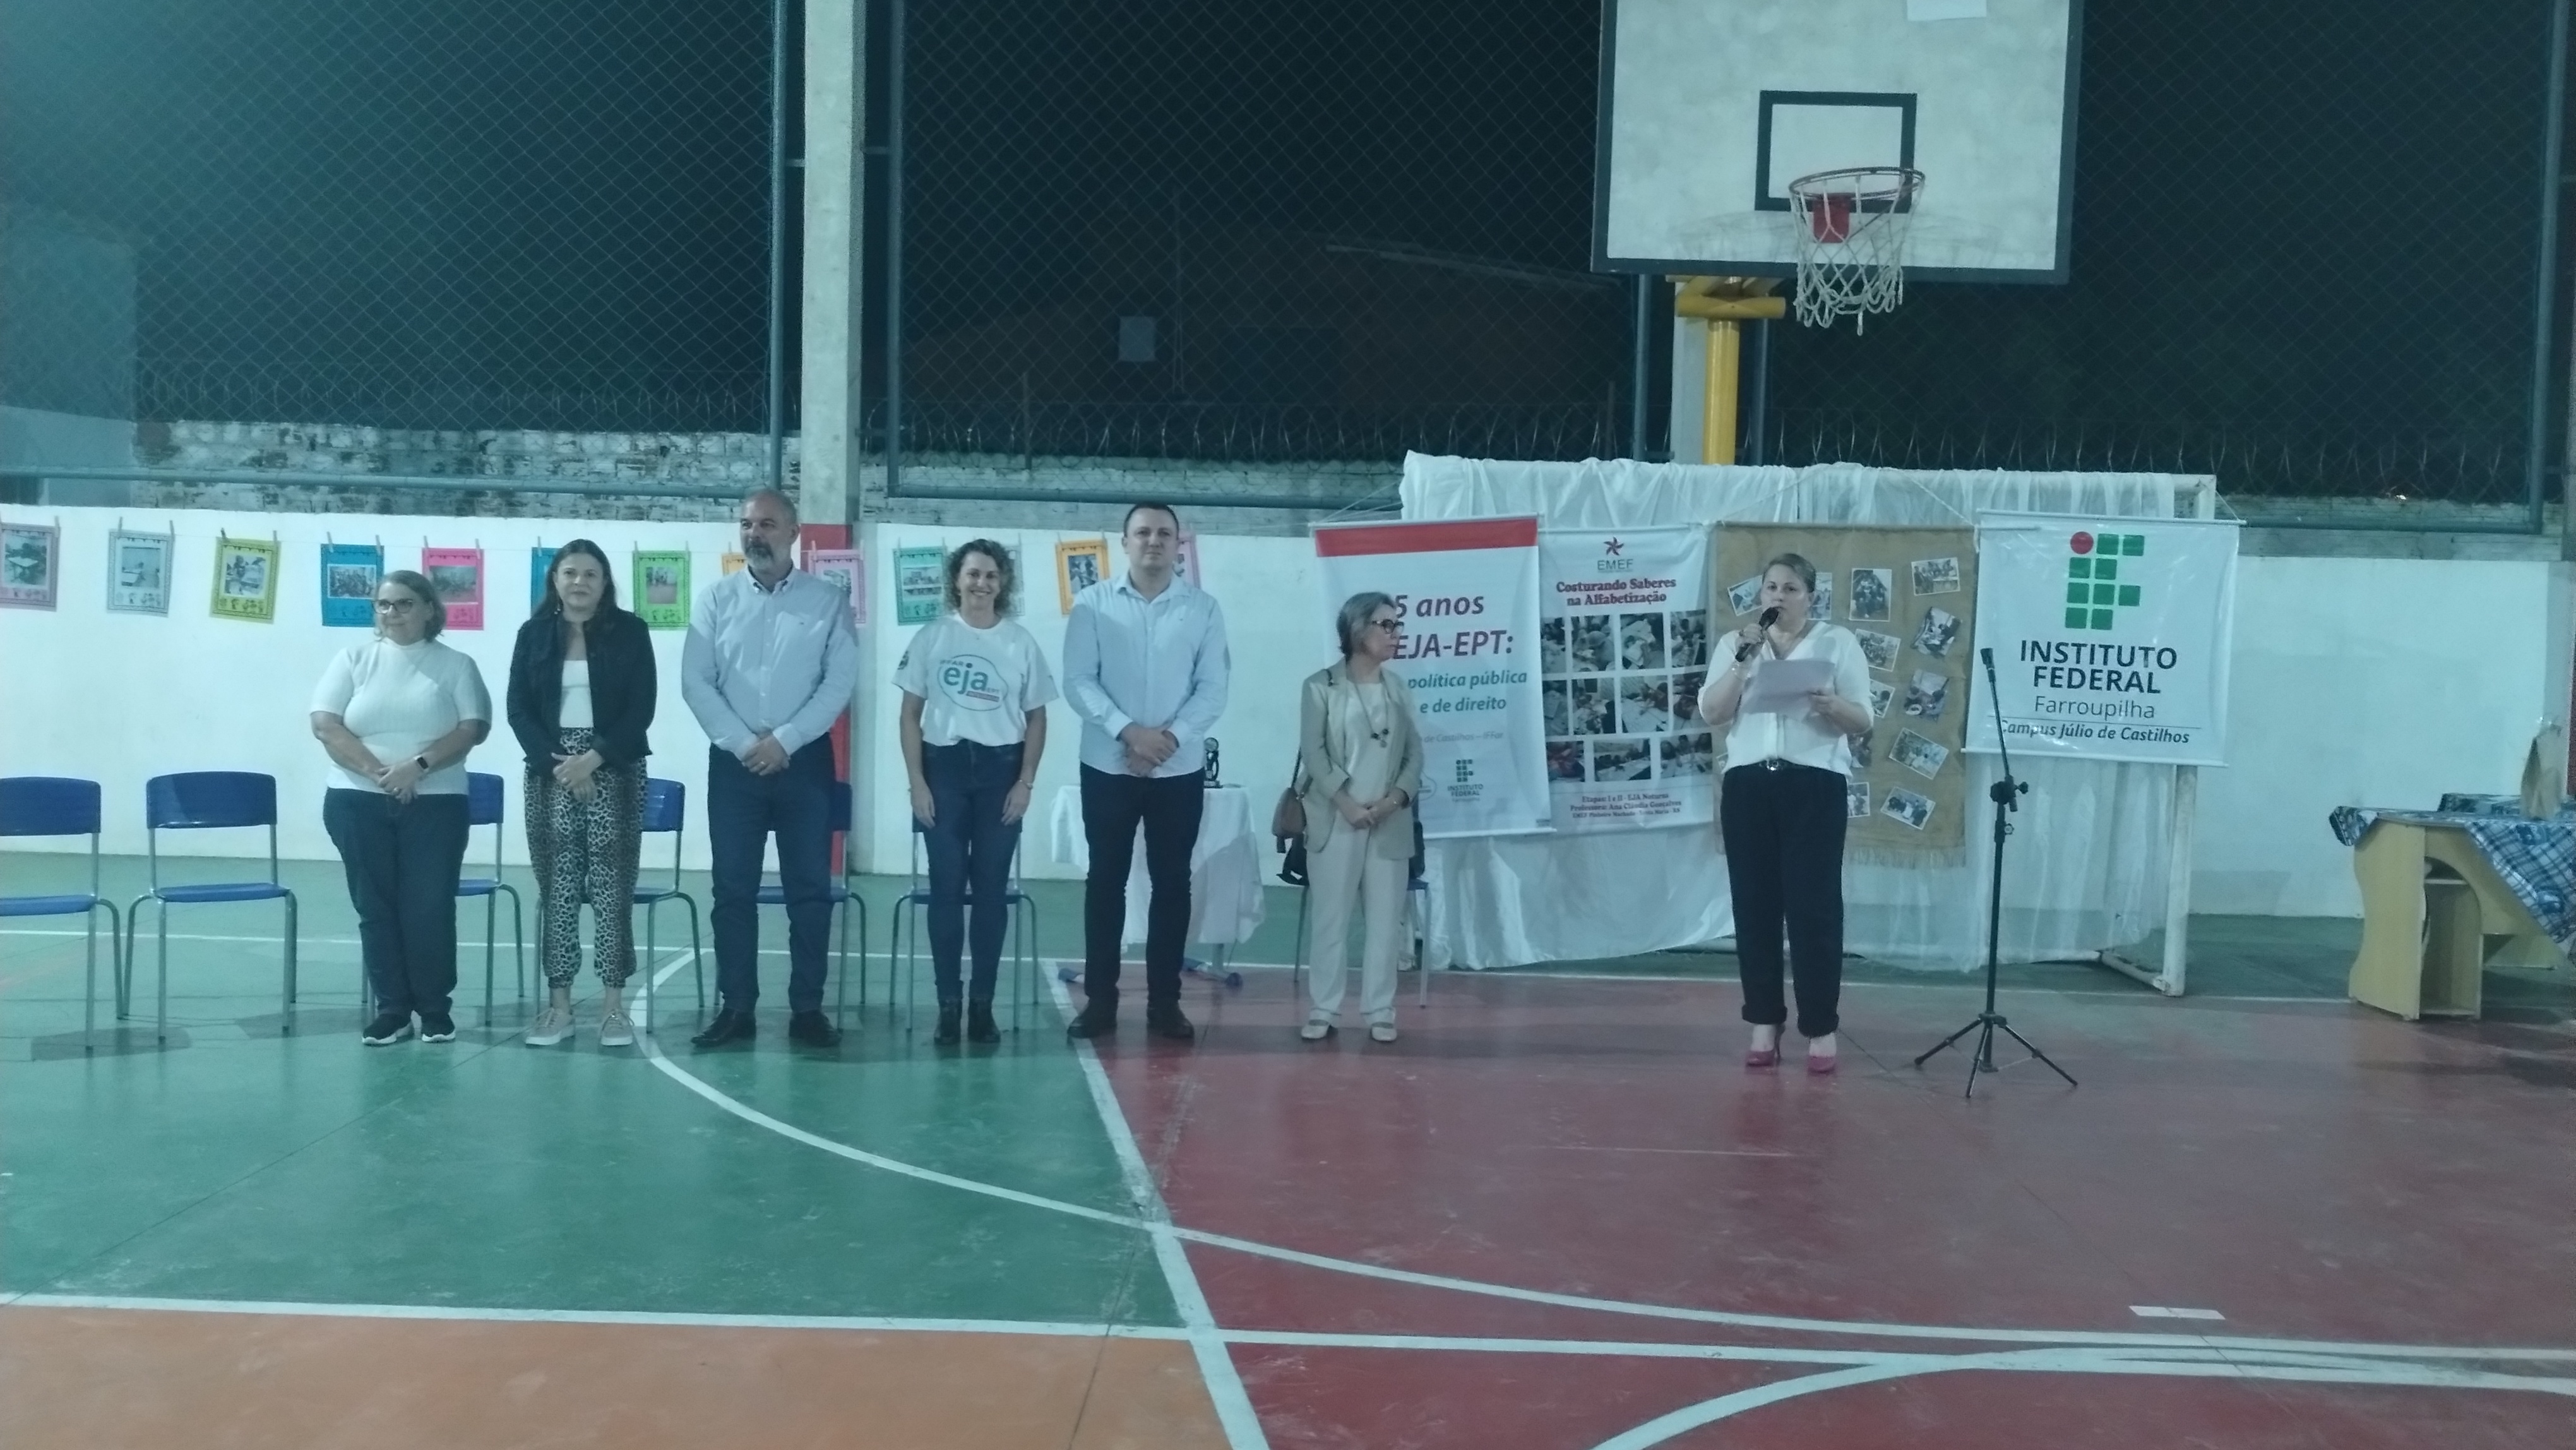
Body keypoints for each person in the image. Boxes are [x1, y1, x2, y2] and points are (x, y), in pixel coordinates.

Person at [681, 488, 861, 1049]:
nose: (754, 534)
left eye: (766, 524)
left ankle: (807, 1009)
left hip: (804, 764)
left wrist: (784, 740)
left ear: (793, 532)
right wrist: (744, 744)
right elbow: (695, 682)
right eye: (746, 524)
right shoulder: (715, 601)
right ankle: (737, 1008)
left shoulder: (827, 602)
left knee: (809, 891)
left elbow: (839, 683)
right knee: (732, 891)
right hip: (734, 768)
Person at [1697, 553, 1873, 1074]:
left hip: (1814, 785)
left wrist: (1831, 704)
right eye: (1771, 587)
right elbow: (1712, 712)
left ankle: (1820, 1027)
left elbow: (1862, 718)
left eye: (1790, 588)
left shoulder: (1837, 642)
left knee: (1814, 909)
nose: (1778, 596)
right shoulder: (1737, 644)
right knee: (1754, 906)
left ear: (1810, 597)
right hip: (1749, 784)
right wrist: (1742, 663)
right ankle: (1763, 1022)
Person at [1061, 502, 1230, 1041]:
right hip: (1108, 765)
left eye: (1163, 533)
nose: (1153, 541)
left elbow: (1213, 689)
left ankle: (1165, 1004)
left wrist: (1167, 741)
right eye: (1142, 533)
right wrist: (1130, 733)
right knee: (1105, 883)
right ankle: (1100, 1003)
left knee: (1173, 884)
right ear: (1125, 542)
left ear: (1179, 543)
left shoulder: (1203, 609)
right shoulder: (1091, 604)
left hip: (1177, 770)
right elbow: (1078, 681)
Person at [309, 570, 493, 1046]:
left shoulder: (457, 665)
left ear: (430, 609)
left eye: (405, 603)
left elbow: (472, 728)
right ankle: (392, 1010)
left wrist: (418, 767)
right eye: (384, 604)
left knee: (429, 907)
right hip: (356, 802)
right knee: (376, 907)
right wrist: (380, 774)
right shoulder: (352, 659)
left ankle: (434, 1009)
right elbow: (326, 724)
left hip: (436, 805)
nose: (393, 613)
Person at [897, 540, 1054, 1046]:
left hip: (1001, 773)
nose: (981, 584)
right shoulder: (932, 637)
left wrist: (1025, 782)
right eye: (972, 574)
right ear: (956, 580)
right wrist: (918, 782)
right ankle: (948, 1005)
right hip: (943, 769)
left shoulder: (1020, 642)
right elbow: (910, 716)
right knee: (945, 889)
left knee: (991, 891)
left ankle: (982, 1006)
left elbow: (1037, 718)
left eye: (990, 575)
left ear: (1002, 583)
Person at [506, 541, 657, 1048]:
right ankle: (560, 1008)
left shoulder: (631, 632)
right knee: (559, 888)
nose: (579, 582)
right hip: (549, 771)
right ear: (554, 580)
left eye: (591, 574)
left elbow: (641, 708)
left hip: (614, 768)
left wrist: (593, 760)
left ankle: (614, 1009)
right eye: (570, 573)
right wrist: (562, 767)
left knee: (614, 889)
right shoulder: (532, 635)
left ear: (605, 582)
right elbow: (518, 709)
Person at [1294, 592, 1422, 1044]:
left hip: (1388, 820)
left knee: (1386, 923)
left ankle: (1380, 1010)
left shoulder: (1398, 688)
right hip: (1336, 818)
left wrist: (1393, 801)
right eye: (1386, 625)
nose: (1396, 634)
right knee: (1331, 920)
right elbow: (1314, 753)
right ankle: (1324, 1008)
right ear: (1356, 630)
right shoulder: (1319, 686)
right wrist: (1347, 804)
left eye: (1397, 625)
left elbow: (1414, 755)